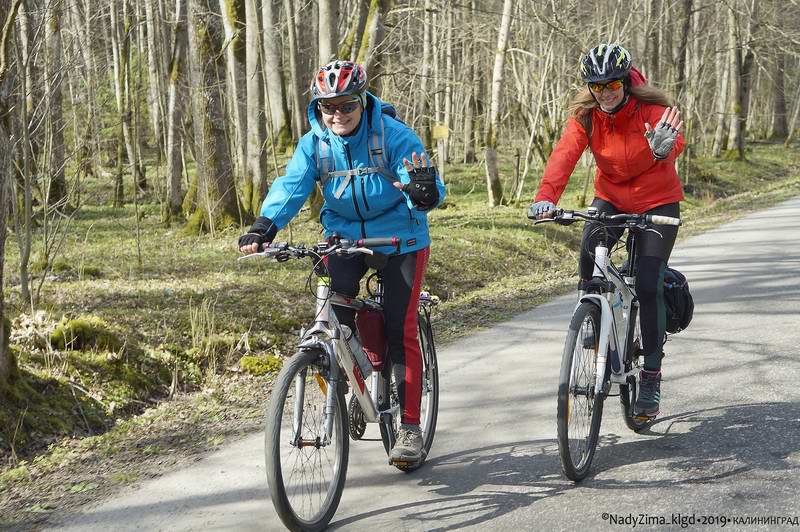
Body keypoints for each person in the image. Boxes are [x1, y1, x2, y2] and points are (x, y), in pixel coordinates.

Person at [239, 60, 445, 462]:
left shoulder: (393, 136)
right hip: (344, 237)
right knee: (336, 314)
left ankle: (409, 427)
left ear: (362, 100)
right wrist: (265, 226)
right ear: (317, 107)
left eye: (346, 105)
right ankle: (361, 375)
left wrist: (424, 193)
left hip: (400, 237)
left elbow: (425, 180)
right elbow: (293, 185)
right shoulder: (314, 143)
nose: (337, 115)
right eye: (328, 106)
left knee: (398, 326)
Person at [528, 43, 684, 418]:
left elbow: (673, 140)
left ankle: (651, 374)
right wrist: (546, 197)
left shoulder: (652, 110)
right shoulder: (586, 116)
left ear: (626, 82)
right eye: (597, 87)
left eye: (613, 85)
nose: (606, 93)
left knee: (647, 284)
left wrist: (665, 150)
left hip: (657, 203)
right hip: (611, 198)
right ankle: (595, 318)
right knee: (588, 253)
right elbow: (564, 155)